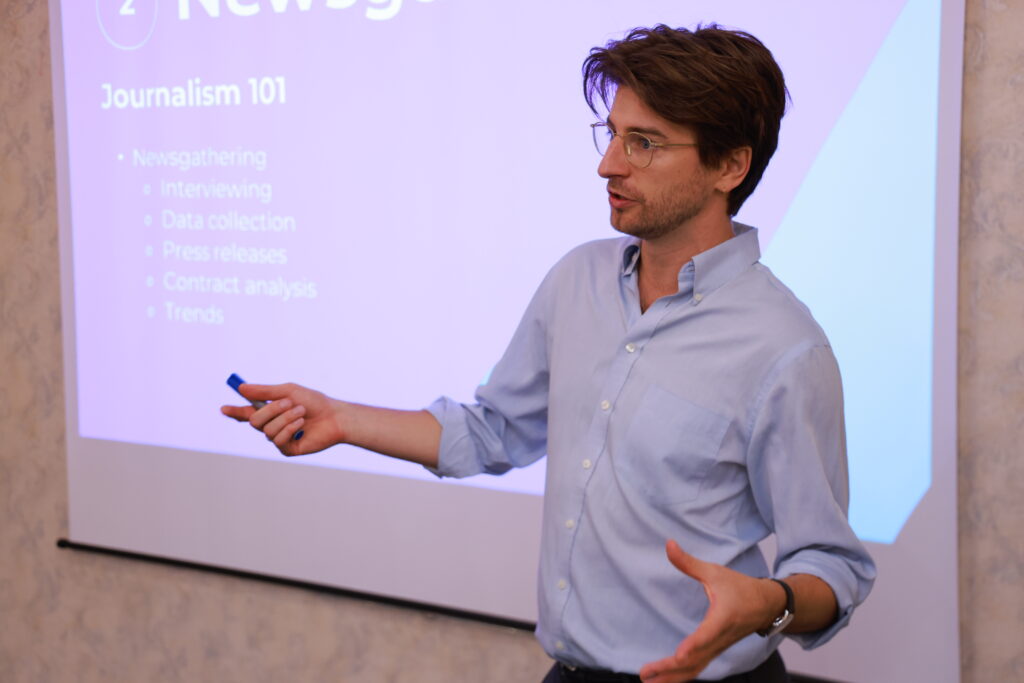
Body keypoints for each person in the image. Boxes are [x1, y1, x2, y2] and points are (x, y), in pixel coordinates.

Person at [222, 24, 875, 683]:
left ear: (729, 166)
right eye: (613, 134)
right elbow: (493, 430)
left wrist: (773, 602)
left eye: (642, 143)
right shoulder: (576, 281)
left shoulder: (785, 348)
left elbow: (831, 563)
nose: (609, 164)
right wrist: (340, 418)